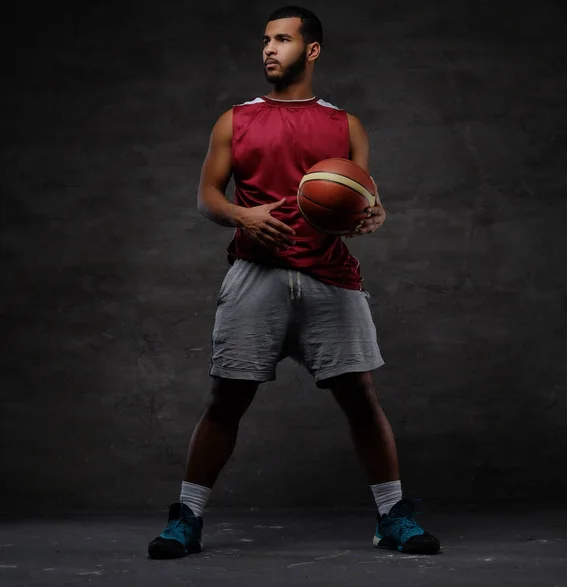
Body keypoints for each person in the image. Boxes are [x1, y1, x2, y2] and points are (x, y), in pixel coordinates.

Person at [148, 5, 440, 559]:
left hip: (331, 278)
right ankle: (185, 518)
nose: (268, 49)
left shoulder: (345, 124)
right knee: (225, 400)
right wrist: (243, 215)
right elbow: (208, 196)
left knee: (360, 399)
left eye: (281, 40)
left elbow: (362, 199)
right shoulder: (235, 120)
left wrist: (375, 215)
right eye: (265, 40)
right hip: (255, 276)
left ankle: (393, 516)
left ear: (311, 50)